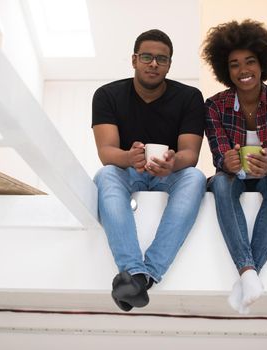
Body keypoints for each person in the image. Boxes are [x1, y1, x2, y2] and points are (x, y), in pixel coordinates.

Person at [92, 29, 206, 312]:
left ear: (169, 64)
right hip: (128, 170)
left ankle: (142, 275)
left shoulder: (190, 97)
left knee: (195, 177)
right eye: (147, 57)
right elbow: (107, 153)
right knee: (105, 175)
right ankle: (136, 273)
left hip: (169, 174)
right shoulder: (107, 95)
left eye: (161, 59)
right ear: (134, 59)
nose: (153, 64)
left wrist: (172, 164)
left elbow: (190, 154)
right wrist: (129, 158)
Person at [201, 20, 267, 314]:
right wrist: (226, 162)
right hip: (235, 178)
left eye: (250, 61)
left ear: (263, 63)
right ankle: (249, 274)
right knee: (219, 182)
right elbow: (219, 155)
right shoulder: (214, 106)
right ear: (225, 70)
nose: (243, 70)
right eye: (234, 64)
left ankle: (245, 276)